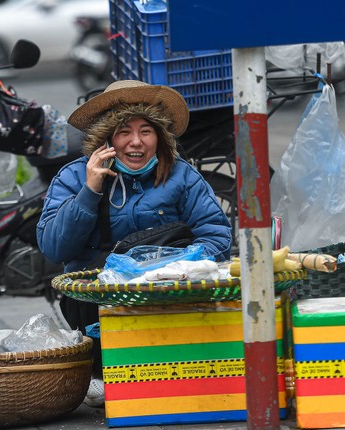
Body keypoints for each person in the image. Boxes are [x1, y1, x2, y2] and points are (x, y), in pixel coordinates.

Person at [37, 80, 232, 407]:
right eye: (124, 131)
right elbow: (55, 248)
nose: (136, 142)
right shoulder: (74, 177)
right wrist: (90, 190)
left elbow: (216, 237)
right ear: (107, 138)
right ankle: (100, 372)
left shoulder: (181, 176)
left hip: (166, 295)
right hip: (96, 303)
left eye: (146, 131)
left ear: (160, 137)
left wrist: (165, 269)